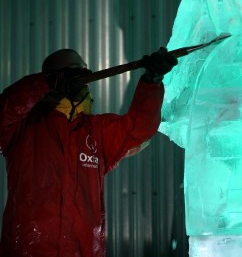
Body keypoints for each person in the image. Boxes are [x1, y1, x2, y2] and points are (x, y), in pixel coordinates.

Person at [0, 47, 177, 256]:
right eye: (69, 70)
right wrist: (44, 83)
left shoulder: (97, 131)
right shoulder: (23, 128)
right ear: (51, 76)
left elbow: (138, 129)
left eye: (82, 70)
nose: (79, 74)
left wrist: (151, 82)